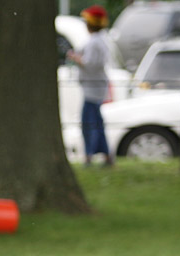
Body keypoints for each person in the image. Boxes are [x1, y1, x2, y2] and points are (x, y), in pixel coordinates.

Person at [68, 5, 113, 166]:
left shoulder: (95, 42)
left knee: (89, 123)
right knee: (97, 123)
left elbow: (90, 63)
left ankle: (89, 155)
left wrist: (75, 58)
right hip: (94, 87)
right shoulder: (101, 39)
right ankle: (106, 155)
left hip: (92, 89)